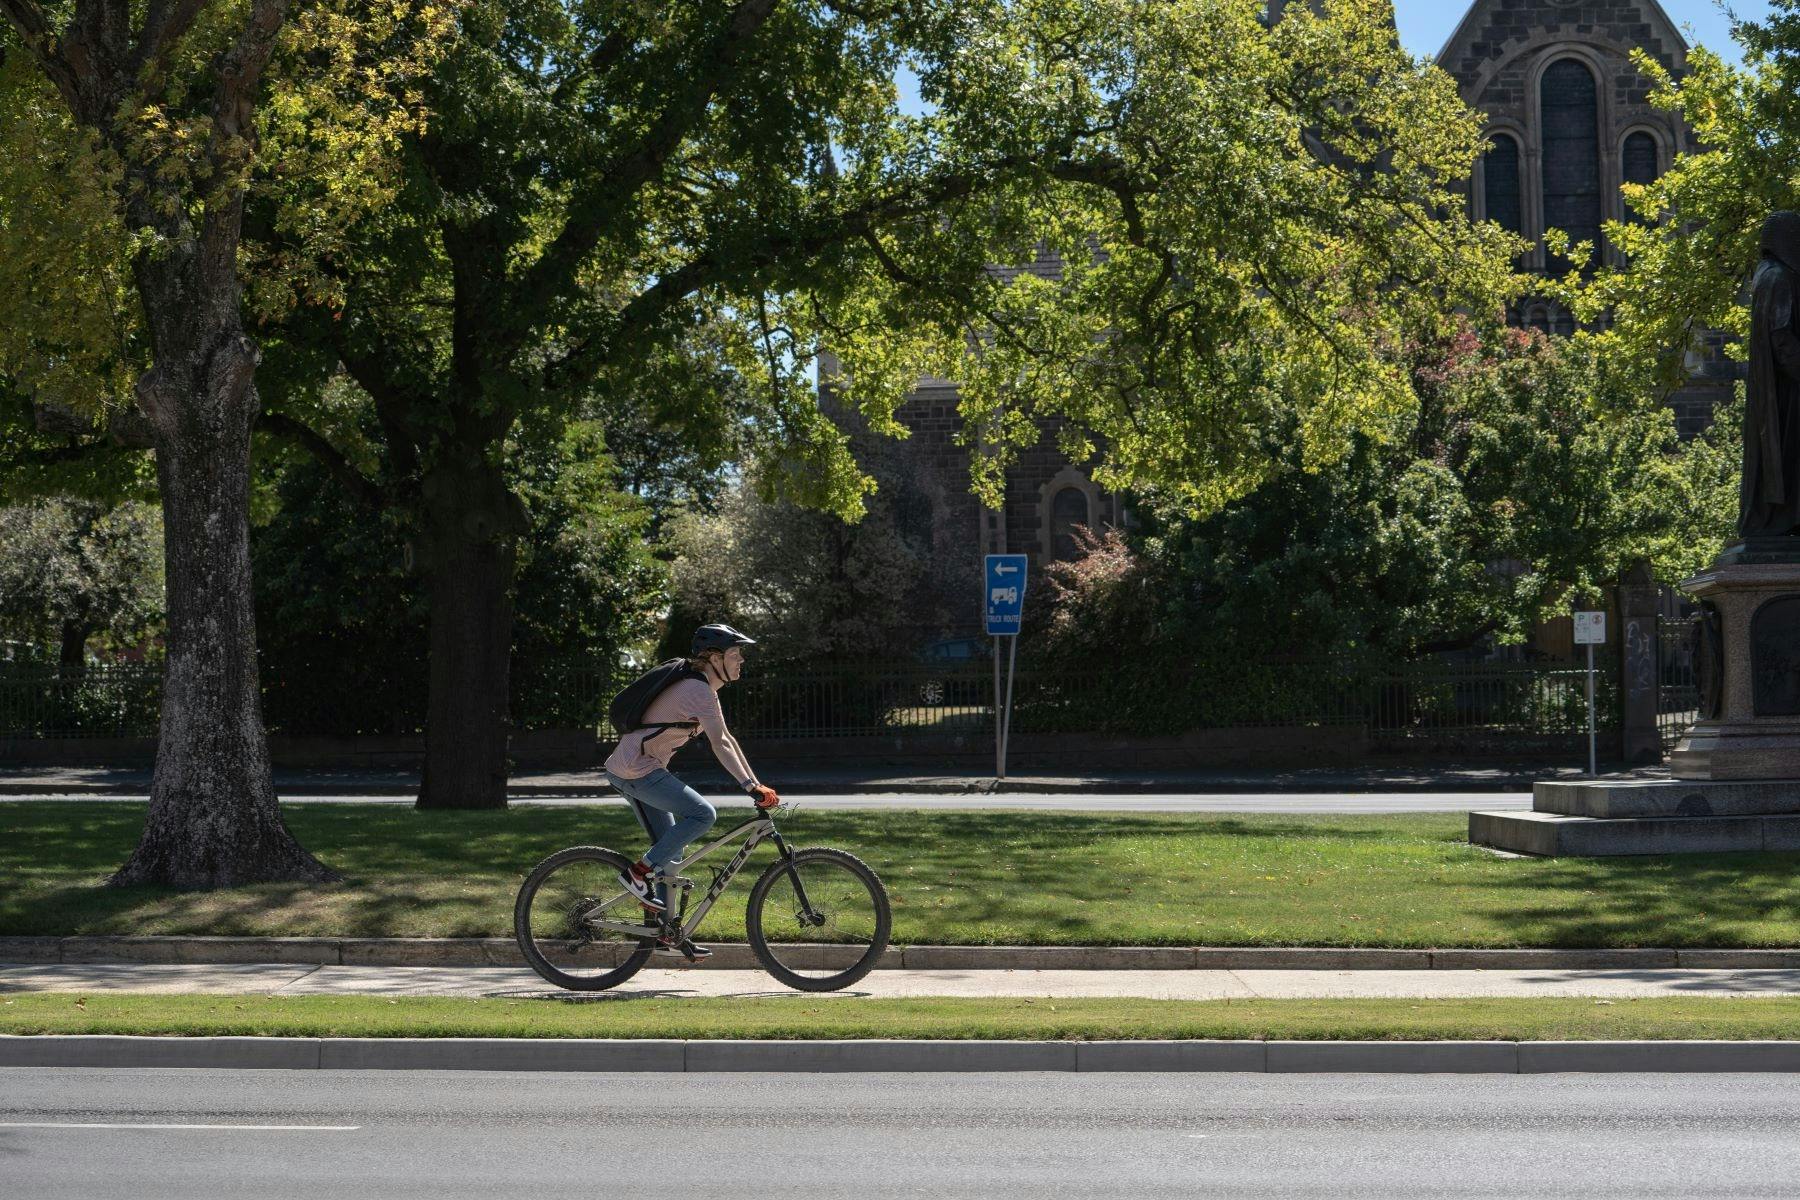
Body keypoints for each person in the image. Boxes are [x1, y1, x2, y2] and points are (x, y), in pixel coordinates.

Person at [603, 623, 780, 962]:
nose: (741, 660)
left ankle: (665, 934)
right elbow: (719, 743)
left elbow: (727, 739)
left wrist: (755, 784)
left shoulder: (704, 690)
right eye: (735, 654)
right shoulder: (697, 690)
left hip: (640, 768)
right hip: (635, 770)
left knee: (671, 852)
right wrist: (750, 786)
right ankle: (636, 874)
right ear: (714, 658)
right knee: (702, 814)